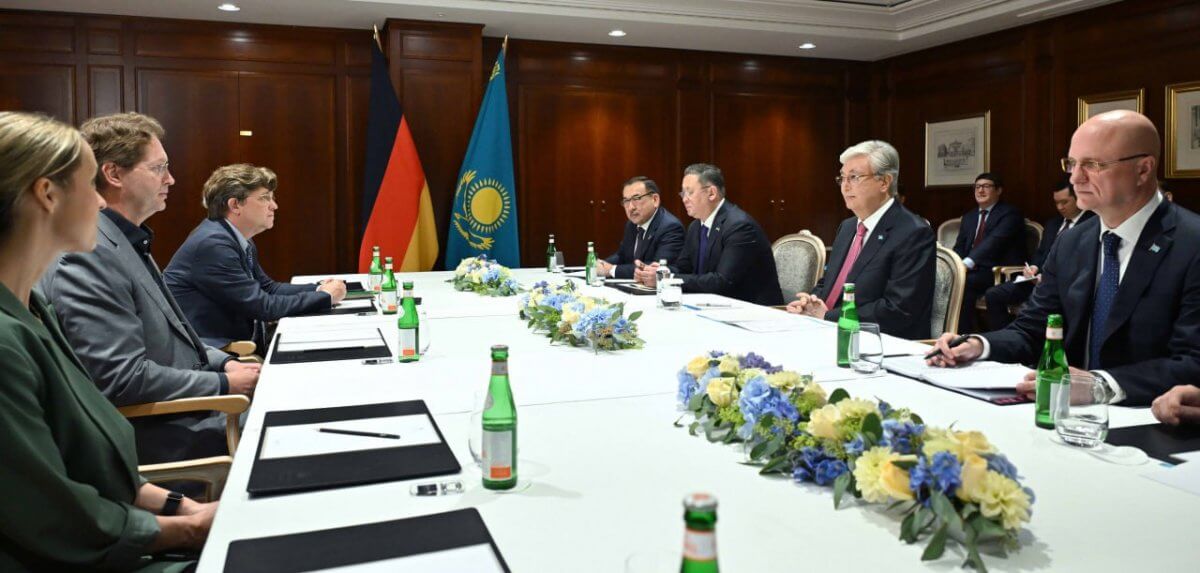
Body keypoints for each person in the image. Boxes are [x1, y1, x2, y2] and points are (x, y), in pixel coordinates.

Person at [0, 111, 214, 571]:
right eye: (88, 185)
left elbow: (88, 462)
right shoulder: (5, 343)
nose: (100, 202)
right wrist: (192, 528)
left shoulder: (35, 308)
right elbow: (56, 518)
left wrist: (182, 507)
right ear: (47, 194)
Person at [928, 110, 1200, 407]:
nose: (1075, 178)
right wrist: (978, 345)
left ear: (1143, 169)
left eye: (1093, 165)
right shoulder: (1072, 241)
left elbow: (1192, 362)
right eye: (1072, 163)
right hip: (1065, 414)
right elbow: (1033, 329)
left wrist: (1100, 385)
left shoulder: (1191, 243)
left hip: (1149, 417)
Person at [38, 112, 259, 465]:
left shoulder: (125, 239)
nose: (171, 179)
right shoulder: (90, 253)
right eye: (159, 168)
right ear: (113, 174)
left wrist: (227, 364)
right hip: (168, 432)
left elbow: (177, 341)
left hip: (195, 409)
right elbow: (121, 379)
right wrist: (222, 384)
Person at [164, 164, 346, 349]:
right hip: (216, 352)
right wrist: (325, 297)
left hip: (240, 343)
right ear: (235, 205)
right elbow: (263, 307)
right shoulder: (213, 245)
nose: (274, 206)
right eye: (265, 198)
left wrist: (318, 289)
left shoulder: (238, 238)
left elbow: (268, 288)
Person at [786, 140, 935, 339]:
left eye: (854, 177)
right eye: (842, 178)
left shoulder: (913, 233)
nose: (845, 186)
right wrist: (811, 302)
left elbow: (899, 309)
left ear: (884, 182)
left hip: (877, 341)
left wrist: (829, 317)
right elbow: (829, 282)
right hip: (825, 329)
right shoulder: (848, 227)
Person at [633, 164, 783, 305]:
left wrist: (667, 279)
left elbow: (722, 282)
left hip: (752, 310)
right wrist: (659, 272)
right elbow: (684, 269)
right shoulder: (696, 226)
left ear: (711, 193)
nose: (684, 199)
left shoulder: (739, 226)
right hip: (713, 305)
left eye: (690, 192)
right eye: (683, 193)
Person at [983, 179, 1093, 329]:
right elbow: (1041, 252)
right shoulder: (1053, 223)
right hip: (1035, 281)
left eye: (1064, 202)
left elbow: (1084, 263)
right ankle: (1004, 336)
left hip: (1063, 285)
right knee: (994, 294)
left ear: (1077, 198)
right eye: (1056, 203)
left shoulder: (1091, 224)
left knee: (1037, 306)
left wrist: (1049, 278)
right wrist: (1033, 267)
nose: (1060, 207)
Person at [952, 172, 1025, 331]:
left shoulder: (1010, 214)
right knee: (949, 281)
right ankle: (958, 332)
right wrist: (954, 264)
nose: (980, 190)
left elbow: (993, 242)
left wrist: (966, 264)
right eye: (977, 187)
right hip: (973, 270)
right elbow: (960, 246)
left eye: (986, 186)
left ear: (998, 190)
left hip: (998, 271)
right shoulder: (969, 217)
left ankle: (964, 333)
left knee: (964, 283)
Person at [592, 176, 684, 279]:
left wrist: (612, 270)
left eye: (636, 199)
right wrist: (602, 264)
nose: (631, 207)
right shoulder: (632, 224)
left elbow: (656, 269)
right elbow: (622, 256)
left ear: (655, 200)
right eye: (626, 201)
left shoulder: (670, 227)